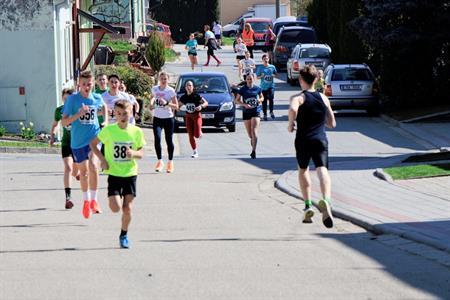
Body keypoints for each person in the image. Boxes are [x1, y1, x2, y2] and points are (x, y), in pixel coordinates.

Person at [90, 100, 145, 249]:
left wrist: (133, 153)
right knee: (115, 208)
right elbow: (93, 144)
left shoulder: (136, 131)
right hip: (114, 173)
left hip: (130, 173)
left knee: (127, 208)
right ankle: (115, 205)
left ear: (131, 112)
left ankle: (124, 235)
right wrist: (102, 160)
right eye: (119, 113)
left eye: (125, 113)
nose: (122, 116)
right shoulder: (109, 130)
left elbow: (141, 153)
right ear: (115, 114)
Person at [287, 65, 336, 227]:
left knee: (303, 169)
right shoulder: (324, 98)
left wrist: (290, 123)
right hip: (320, 139)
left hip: (303, 139)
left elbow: (293, 108)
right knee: (322, 169)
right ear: (316, 79)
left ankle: (308, 205)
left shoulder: (298, 98)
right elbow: (332, 123)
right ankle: (326, 199)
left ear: (301, 80)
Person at [62, 70, 106, 219]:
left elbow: (104, 106)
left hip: (94, 137)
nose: (87, 87)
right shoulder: (72, 100)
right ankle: (86, 201)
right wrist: (79, 115)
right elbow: (64, 122)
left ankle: (94, 200)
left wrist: (104, 121)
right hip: (77, 141)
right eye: (84, 84)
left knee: (94, 165)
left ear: (93, 84)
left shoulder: (97, 97)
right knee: (84, 172)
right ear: (78, 85)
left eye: (89, 84)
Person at [50, 88, 79, 209]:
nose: (67, 101)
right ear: (62, 98)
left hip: (79, 144)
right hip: (66, 143)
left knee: (75, 172)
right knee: (68, 168)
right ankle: (68, 198)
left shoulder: (78, 110)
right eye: (65, 98)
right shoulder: (59, 111)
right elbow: (55, 124)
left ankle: (77, 173)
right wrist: (52, 136)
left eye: (70, 99)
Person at [150, 72, 178, 173]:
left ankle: (170, 162)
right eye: (161, 78)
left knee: (168, 140)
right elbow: (152, 98)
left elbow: (176, 106)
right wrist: (151, 104)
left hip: (168, 118)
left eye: (165, 79)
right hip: (157, 118)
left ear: (168, 80)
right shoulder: (155, 89)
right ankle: (160, 161)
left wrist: (167, 103)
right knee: (157, 139)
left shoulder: (170, 90)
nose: (163, 80)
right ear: (159, 79)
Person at [235, 74, 263, 159]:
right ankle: (252, 140)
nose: (249, 80)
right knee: (250, 134)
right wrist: (244, 105)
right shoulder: (242, 89)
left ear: (254, 79)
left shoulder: (257, 88)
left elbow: (262, 97)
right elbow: (237, 100)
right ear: (246, 80)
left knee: (254, 131)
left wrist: (259, 100)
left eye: (251, 79)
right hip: (246, 112)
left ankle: (253, 151)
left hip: (256, 111)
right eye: (248, 79)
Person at [178, 80, 208, 158]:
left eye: (190, 85)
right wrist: (179, 108)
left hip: (197, 116)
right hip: (188, 117)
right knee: (190, 135)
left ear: (193, 87)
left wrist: (201, 106)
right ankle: (195, 151)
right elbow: (178, 106)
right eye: (187, 85)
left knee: (197, 135)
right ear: (185, 87)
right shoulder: (184, 97)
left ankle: (199, 130)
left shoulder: (196, 96)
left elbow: (206, 103)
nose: (188, 87)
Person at [256, 54, 278, 121]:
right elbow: (257, 77)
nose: (266, 60)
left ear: (269, 59)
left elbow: (276, 74)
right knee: (264, 101)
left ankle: (271, 112)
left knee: (271, 98)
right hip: (263, 87)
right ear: (262, 60)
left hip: (271, 86)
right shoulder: (260, 67)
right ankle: (265, 114)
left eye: (267, 59)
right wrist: (261, 76)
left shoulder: (272, 67)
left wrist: (273, 75)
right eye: (264, 59)